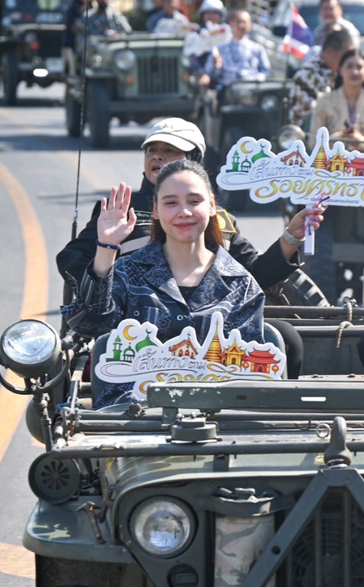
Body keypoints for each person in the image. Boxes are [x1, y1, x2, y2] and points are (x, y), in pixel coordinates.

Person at [56, 117, 323, 377]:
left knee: (283, 337)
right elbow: (92, 316)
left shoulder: (234, 269)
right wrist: (106, 268)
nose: (157, 157)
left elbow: (256, 277)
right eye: (152, 150)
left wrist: (291, 237)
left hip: (213, 381)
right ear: (156, 210)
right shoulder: (120, 227)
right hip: (137, 383)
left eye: (169, 151)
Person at [63, 161, 265, 409]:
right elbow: (90, 323)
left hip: (218, 418)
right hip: (131, 418)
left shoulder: (241, 284)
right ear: (156, 210)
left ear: (212, 206)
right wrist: (106, 248)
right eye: (171, 203)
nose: (184, 212)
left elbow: (246, 371)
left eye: (194, 201)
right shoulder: (128, 271)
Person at [310, 49, 364, 148]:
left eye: (359, 67)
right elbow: (313, 143)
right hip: (331, 161)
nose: (354, 72)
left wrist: (360, 141)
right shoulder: (324, 101)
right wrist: (341, 137)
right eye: (349, 66)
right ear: (340, 70)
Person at [285, 27, 353, 127]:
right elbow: (314, 118)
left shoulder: (335, 73)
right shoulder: (308, 76)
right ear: (330, 52)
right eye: (346, 56)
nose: (349, 60)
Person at [199, 8, 270, 89]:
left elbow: (266, 73)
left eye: (244, 22)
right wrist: (215, 66)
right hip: (228, 91)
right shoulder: (220, 48)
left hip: (252, 90)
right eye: (238, 22)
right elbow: (210, 74)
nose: (241, 25)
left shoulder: (258, 49)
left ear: (250, 24)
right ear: (231, 24)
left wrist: (254, 79)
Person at [62, 0, 92, 74]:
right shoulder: (74, 8)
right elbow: (75, 27)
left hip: (90, 47)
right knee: (74, 73)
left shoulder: (92, 8)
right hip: (73, 46)